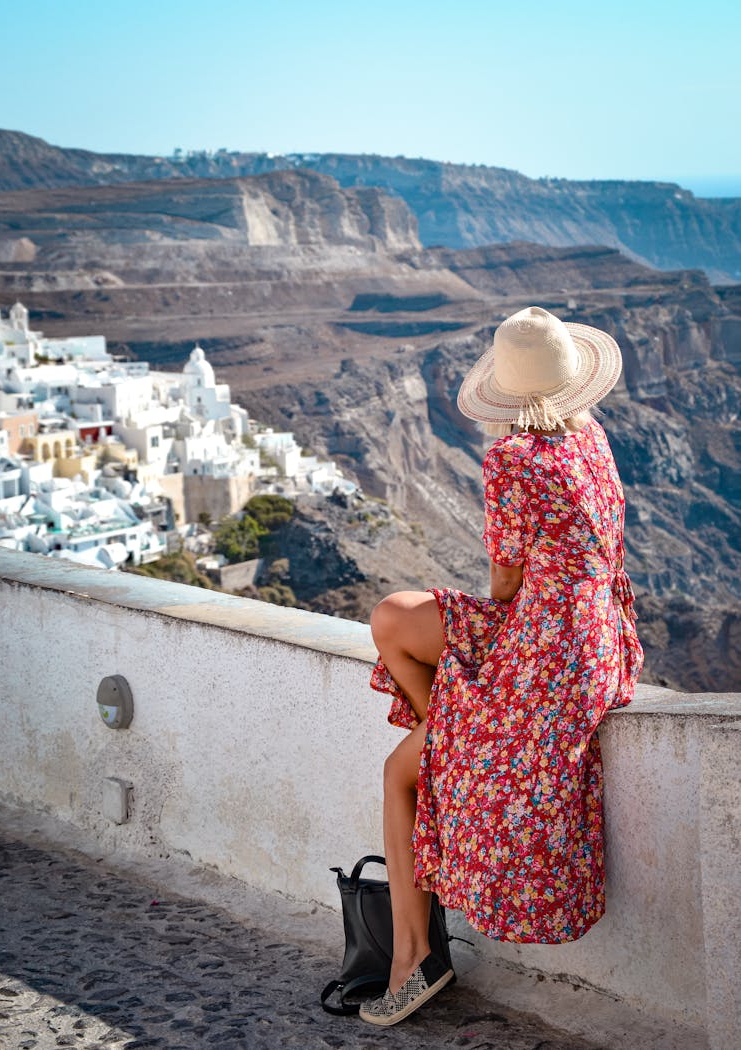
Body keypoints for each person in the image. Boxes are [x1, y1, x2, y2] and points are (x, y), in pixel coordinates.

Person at [359, 306, 644, 1027]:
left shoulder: (515, 457)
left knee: (400, 772)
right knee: (392, 616)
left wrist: (524, 597)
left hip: (545, 651)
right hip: (595, 639)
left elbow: (504, 585)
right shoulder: (591, 436)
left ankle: (412, 958)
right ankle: (453, 731)